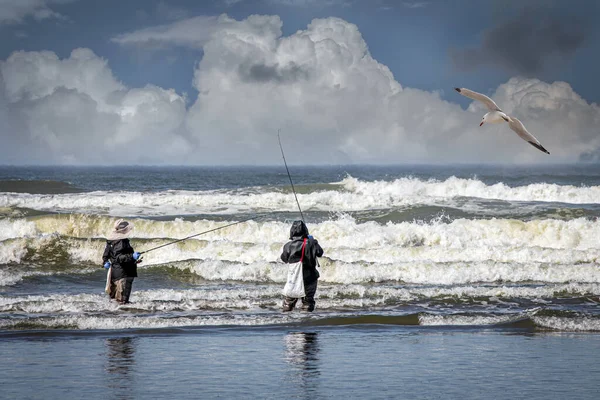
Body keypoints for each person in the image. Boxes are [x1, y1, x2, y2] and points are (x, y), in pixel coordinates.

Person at [280, 220, 324, 312]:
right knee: (308, 301)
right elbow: (320, 253)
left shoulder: (288, 246)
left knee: (289, 301)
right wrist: (313, 241)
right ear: (305, 231)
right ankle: (306, 321)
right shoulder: (311, 243)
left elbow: (284, 259)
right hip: (310, 277)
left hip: (294, 277)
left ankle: (287, 320)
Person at [102, 219, 142, 304]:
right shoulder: (121, 241)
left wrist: (105, 262)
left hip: (114, 274)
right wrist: (132, 256)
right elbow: (119, 257)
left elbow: (106, 255)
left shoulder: (111, 240)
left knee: (114, 301)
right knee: (122, 302)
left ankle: (111, 316)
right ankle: (122, 316)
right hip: (123, 275)